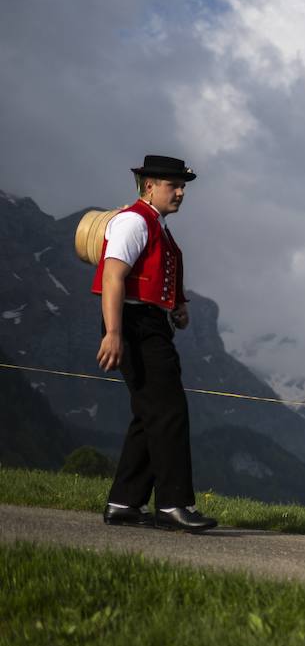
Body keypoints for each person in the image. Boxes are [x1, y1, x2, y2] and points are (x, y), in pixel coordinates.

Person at [92, 154, 217, 532]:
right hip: (134, 325)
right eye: (173, 185)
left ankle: (124, 503)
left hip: (149, 323)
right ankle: (173, 505)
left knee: (151, 413)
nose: (180, 192)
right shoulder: (133, 221)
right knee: (168, 410)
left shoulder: (156, 225)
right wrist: (114, 333)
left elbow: (150, 274)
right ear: (149, 185)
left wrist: (175, 305)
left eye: (182, 186)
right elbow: (114, 277)